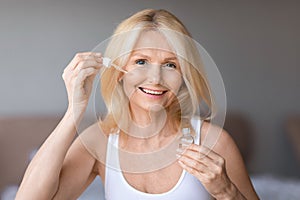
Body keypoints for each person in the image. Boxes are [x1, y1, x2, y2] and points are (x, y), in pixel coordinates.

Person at [16, 9, 259, 199]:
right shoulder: (100, 142)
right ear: (120, 71)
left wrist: (227, 192)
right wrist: (74, 111)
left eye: (170, 64)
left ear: (184, 74)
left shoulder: (213, 141)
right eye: (141, 61)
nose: (156, 78)